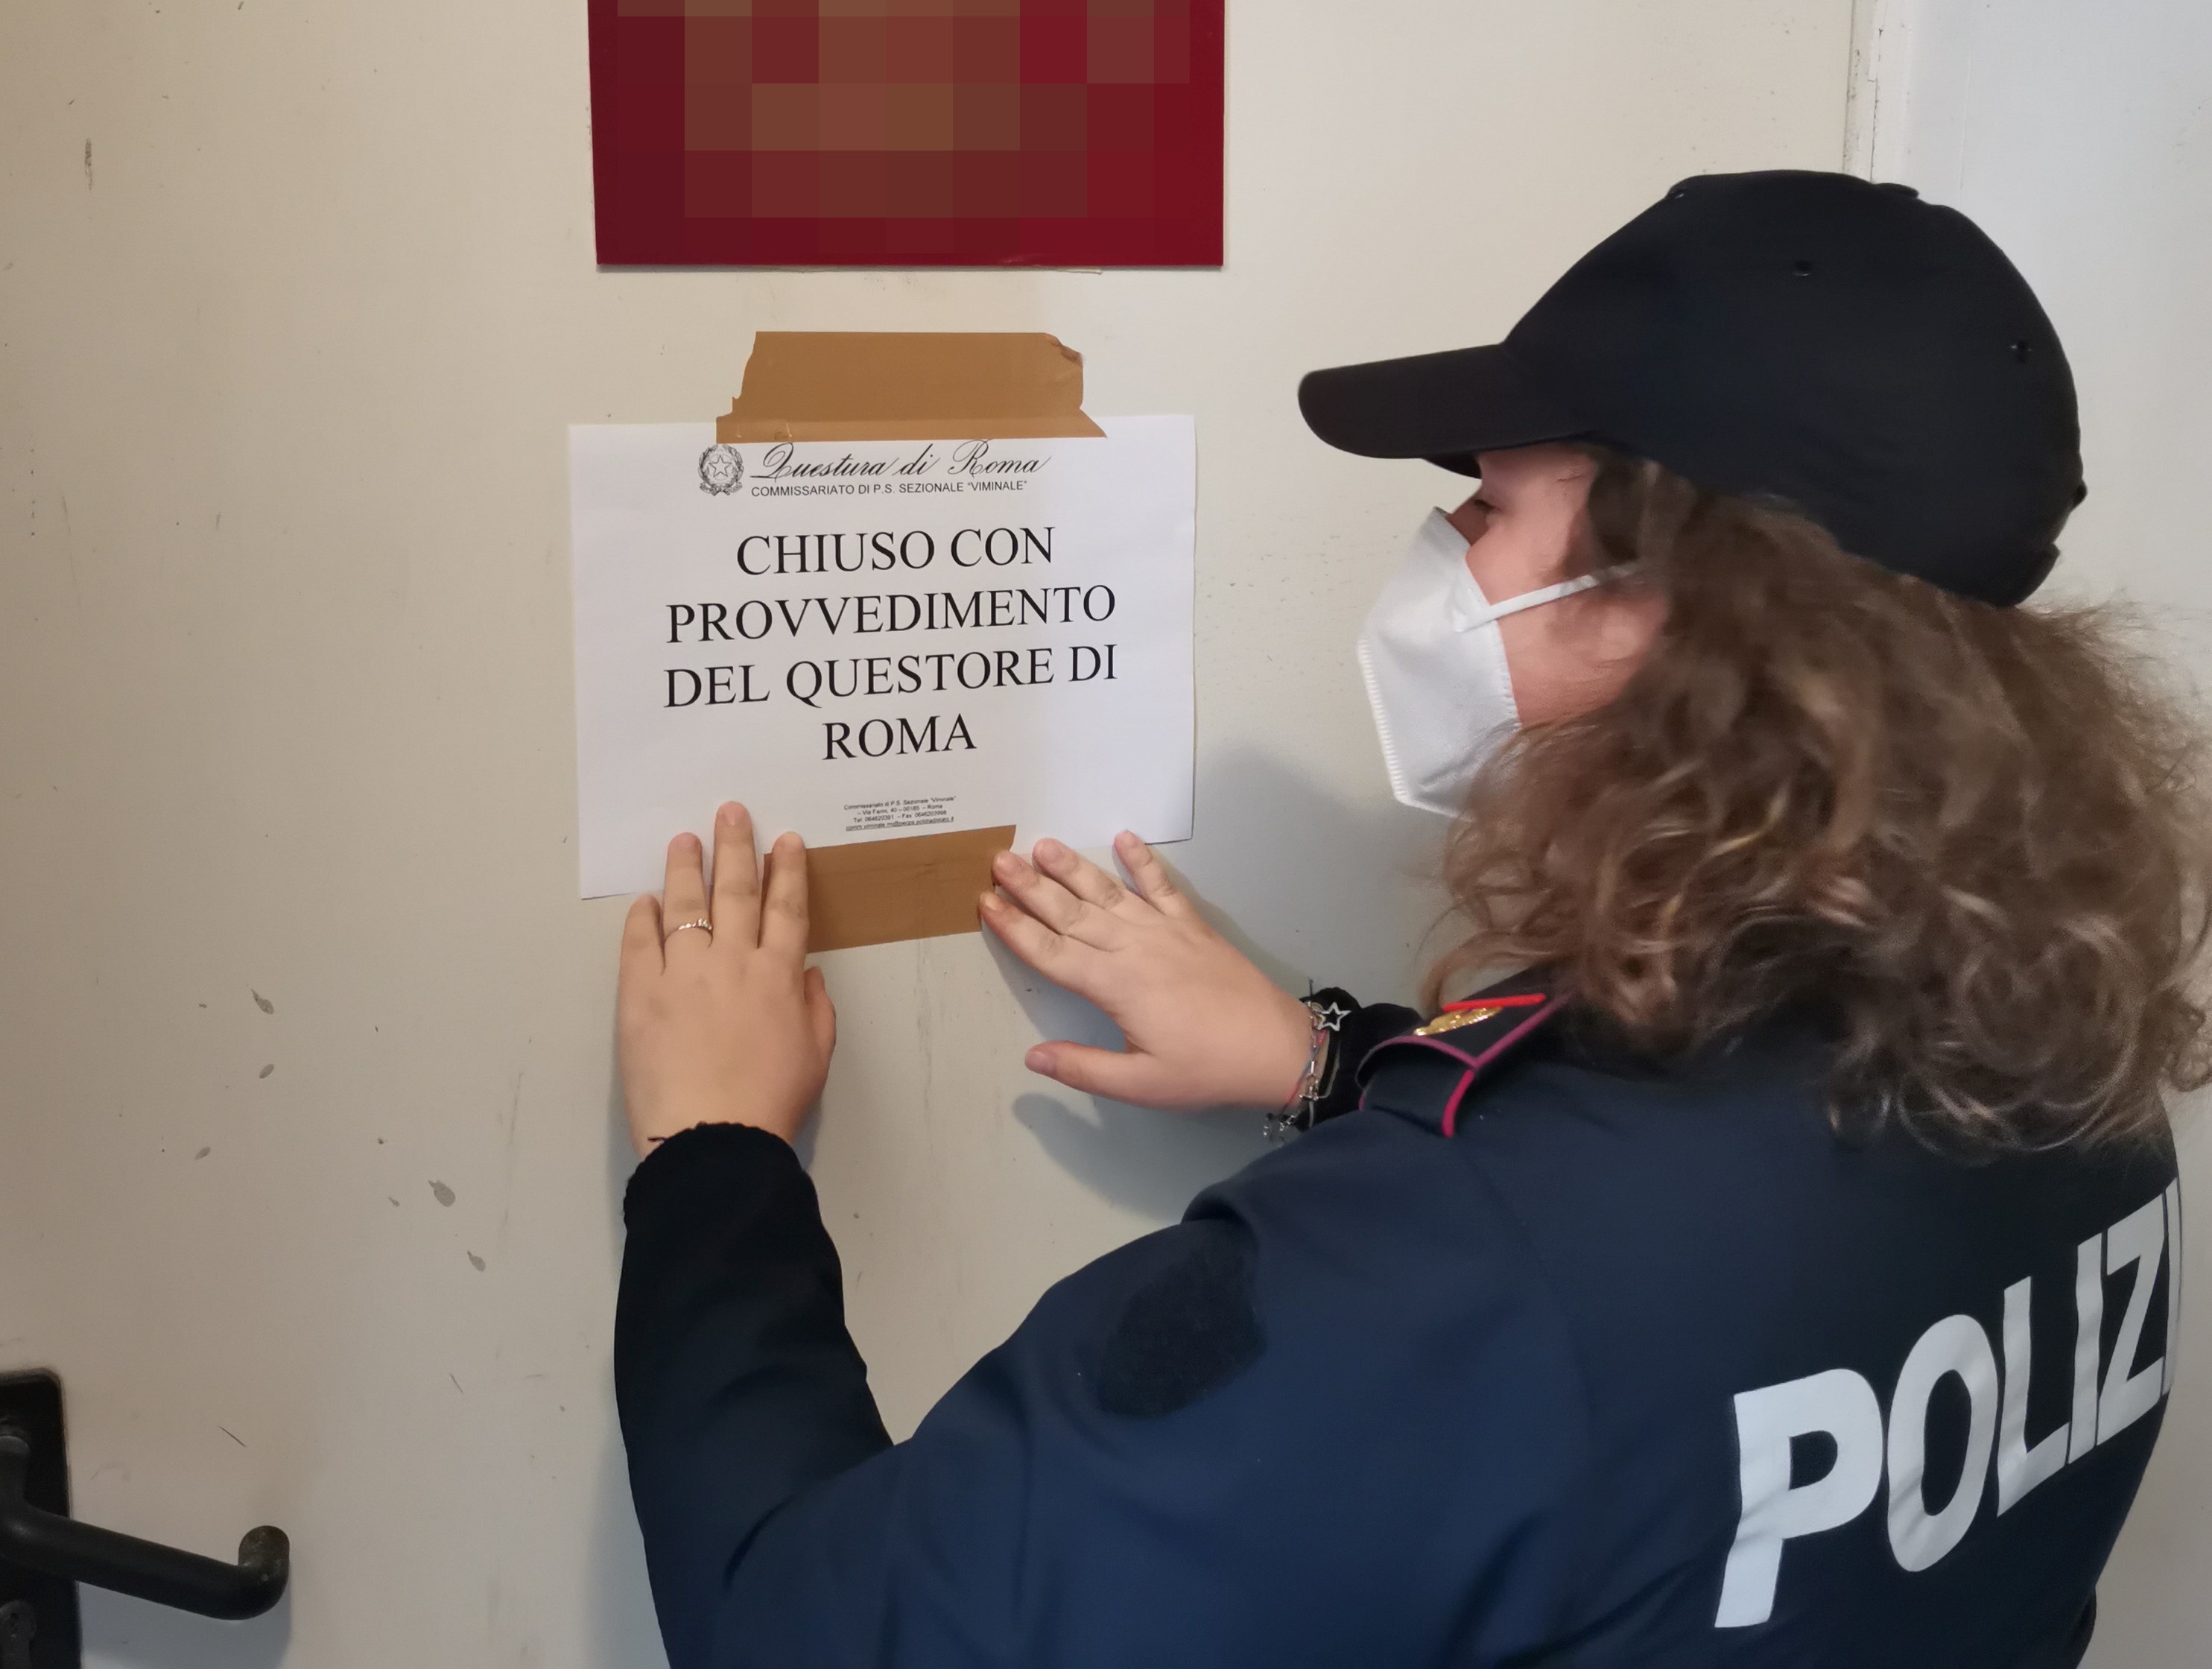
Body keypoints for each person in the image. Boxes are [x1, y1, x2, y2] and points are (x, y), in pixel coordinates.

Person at [609, 172, 2207, 1667]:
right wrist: (1328, 1062)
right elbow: (1687, 1275)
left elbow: (802, 1627)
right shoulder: (2073, 1059)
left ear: (1673, 600)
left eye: (1491, 505)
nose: (1450, 550)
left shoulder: (1431, 1281)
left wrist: (715, 1156)